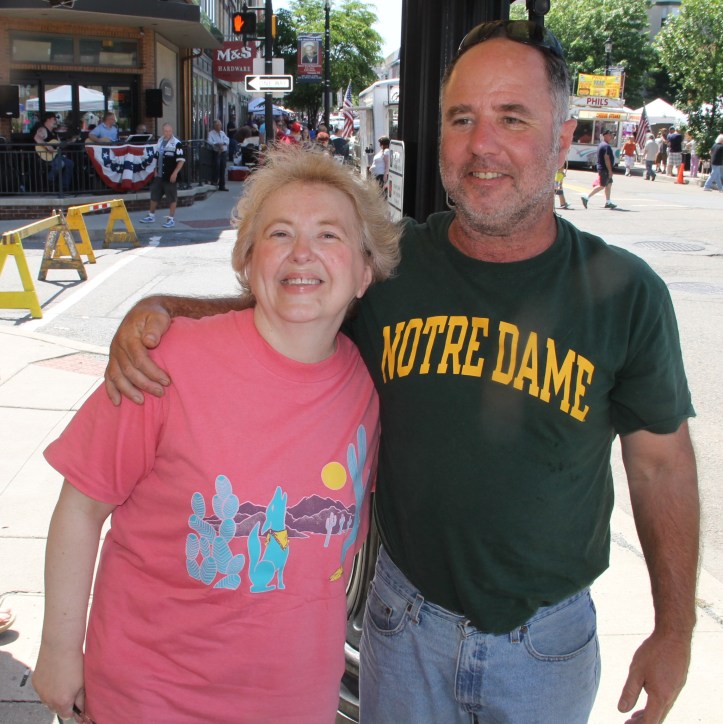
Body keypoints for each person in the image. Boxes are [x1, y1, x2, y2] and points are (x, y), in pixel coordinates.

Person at [104, 20, 699, 724]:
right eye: (461, 118)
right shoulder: (389, 267)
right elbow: (281, 307)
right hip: (403, 625)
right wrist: (165, 310)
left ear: (563, 137)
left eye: (512, 118)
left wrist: (674, 630)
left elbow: (660, 466)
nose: (481, 144)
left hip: (545, 646)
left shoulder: (625, 292)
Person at [32, 147, 401, 724]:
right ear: (248, 263)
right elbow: (81, 507)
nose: (302, 252)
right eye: (280, 233)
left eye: (329, 235)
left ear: (365, 272)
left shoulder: (367, 390)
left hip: (295, 703)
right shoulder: (165, 363)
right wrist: (59, 650)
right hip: (149, 699)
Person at [139, 123, 185, 228]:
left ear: (172, 131)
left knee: (172, 197)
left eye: (169, 131)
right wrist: (155, 170)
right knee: (154, 195)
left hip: (170, 175)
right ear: (163, 131)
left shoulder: (177, 143)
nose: (168, 133)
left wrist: (175, 173)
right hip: (159, 175)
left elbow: (181, 160)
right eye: (166, 131)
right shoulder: (160, 141)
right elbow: (157, 156)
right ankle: (151, 215)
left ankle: (171, 219)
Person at [33, 112, 74, 192]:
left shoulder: (54, 133)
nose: (56, 121)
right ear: (48, 119)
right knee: (60, 163)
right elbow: (37, 137)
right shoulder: (42, 129)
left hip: (55, 156)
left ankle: (64, 186)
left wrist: (71, 141)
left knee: (70, 163)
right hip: (45, 157)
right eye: (54, 119)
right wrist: (47, 146)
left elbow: (59, 145)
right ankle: (49, 179)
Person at [581, 128, 617, 209]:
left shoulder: (601, 145)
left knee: (609, 184)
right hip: (604, 169)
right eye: (610, 135)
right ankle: (586, 197)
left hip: (603, 168)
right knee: (602, 185)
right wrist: (610, 170)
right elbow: (606, 158)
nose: (611, 137)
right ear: (605, 136)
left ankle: (608, 202)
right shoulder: (606, 146)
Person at [207, 118, 229, 191]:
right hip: (216, 152)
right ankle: (214, 182)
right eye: (217, 125)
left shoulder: (222, 133)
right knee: (216, 167)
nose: (219, 126)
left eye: (220, 125)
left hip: (223, 152)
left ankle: (222, 185)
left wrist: (223, 143)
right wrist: (217, 144)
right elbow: (209, 141)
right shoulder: (211, 133)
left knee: (222, 168)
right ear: (214, 126)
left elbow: (227, 140)